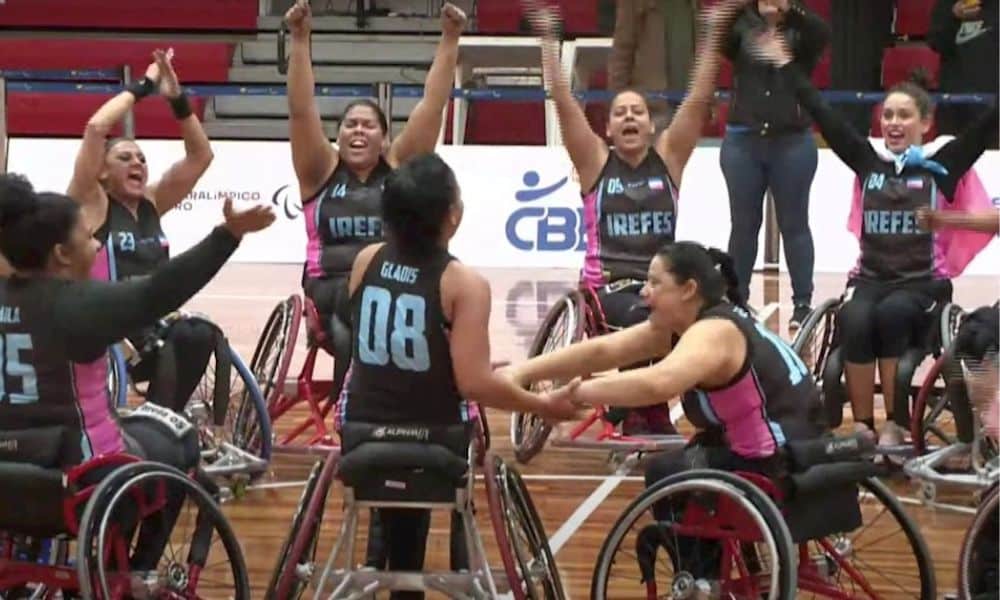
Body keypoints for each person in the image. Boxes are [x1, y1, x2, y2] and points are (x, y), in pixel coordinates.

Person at [0, 173, 273, 570]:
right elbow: (160, 289)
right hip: (78, 479)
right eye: (88, 236)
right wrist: (227, 235)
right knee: (179, 437)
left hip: (8, 474)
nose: (96, 244)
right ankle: (131, 573)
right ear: (61, 253)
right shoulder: (76, 305)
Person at [503, 242, 828, 573]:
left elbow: (656, 383)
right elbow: (604, 351)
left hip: (778, 463)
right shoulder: (704, 322)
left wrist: (577, 394)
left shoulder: (713, 333)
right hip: (801, 446)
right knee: (698, 451)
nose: (643, 292)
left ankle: (700, 580)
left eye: (655, 283)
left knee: (665, 472)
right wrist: (523, 372)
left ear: (688, 289)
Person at [338, 154, 579, 599]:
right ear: (453, 216)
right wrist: (541, 404)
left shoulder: (365, 260)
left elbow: (388, 350)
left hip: (359, 432)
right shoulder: (463, 284)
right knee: (458, 432)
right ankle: (450, 567)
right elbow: (473, 386)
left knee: (397, 433)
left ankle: (397, 574)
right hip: (435, 444)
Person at [753, 33, 998, 448]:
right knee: (854, 318)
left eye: (904, 116)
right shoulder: (868, 162)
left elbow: (988, 124)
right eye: (887, 116)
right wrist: (786, 66)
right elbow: (821, 110)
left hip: (921, 285)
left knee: (893, 314)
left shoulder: (943, 166)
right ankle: (863, 426)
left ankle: (895, 424)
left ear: (926, 123)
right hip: (870, 279)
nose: (893, 124)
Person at [524, 0, 747, 435]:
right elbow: (563, 101)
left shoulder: (668, 160)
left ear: (650, 124)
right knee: (653, 315)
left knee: (723, 317)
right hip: (609, 290)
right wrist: (548, 41)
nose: (628, 116)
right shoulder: (594, 165)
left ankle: (720, 409)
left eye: (637, 112)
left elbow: (699, 97)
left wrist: (714, 32)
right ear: (607, 129)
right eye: (619, 112)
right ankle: (646, 408)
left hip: (664, 285)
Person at [283, 0, 466, 402]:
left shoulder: (400, 168)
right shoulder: (319, 171)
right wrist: (300, 40)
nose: (359, 131)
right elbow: (300, 110)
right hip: (330, 287)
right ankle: (360, 408)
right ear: (339, 135)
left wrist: (450, 39)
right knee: (359, 312)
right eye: (351, 125)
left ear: (385, 138)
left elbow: (432, 107)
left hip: (397, 282)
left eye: (369, 125)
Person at [66, 48, 217, 415]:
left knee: (200, 333)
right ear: (102, 172)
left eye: (142, 158)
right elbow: (96, 128)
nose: (137, 162)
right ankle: (161, 422)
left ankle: (163, 417)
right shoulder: (92, 202)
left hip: (156, 316)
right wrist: (145, 85)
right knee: (170, 342)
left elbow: (201, 157)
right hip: (112, 320)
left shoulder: (152, 201)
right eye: (124, 157)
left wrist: (178, 100)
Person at [721, 0, 830, 328]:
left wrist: (789, 13)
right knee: (743, 226)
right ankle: (737, 300)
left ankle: (802, 305)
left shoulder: (803, 26)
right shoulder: (740, 23)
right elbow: (717, 38)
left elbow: (822, 35)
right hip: (744, 139)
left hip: (792, 140)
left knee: (795, 224)